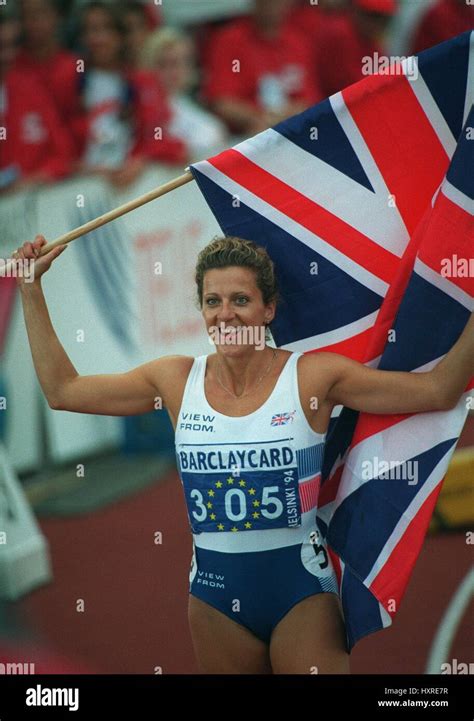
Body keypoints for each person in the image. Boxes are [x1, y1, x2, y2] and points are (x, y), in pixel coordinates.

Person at [13, 234, 473, 674]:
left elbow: (437, 389)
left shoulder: (313, 377)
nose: (225, 315)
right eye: (213, 301)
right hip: (214, 601)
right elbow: (63, 390)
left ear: (268, 309)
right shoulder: (175, 381)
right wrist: (30, 288)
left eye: (241, 300)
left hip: (302, 596)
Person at [72, 2, 186, 187]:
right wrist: (78, 167)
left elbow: (162, 138)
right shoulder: (74, 83)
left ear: (120, 35)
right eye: (90, 30)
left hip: (135, 189)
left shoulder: (142, 82)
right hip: (82, 191)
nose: (97, 39)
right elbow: (61, 147)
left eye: (105, 29)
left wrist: (141, 160)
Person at [202, 0, 320, 135]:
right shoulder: (229, 40)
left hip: (296, 129)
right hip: (247, 135)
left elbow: (310, 100)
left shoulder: (298, 42)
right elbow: (222, 103)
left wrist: (284, 118)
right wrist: (261, 118)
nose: (272, 5)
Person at [0, 14, 74, 192]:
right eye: (1, 47)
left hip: (30, 203)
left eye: (12, 46)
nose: (7, 56)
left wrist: (34, 179)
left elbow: (63, 153)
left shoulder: (32, 89)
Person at [141, 27, 227, 158]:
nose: (174, 72)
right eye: (164, 64)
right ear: (149, 65)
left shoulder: (198, 115)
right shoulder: (137, 107)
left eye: (181, 63)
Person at [14, 0, 80, 140]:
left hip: (68, 154)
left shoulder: (75, 67)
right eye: (26, 15)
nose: (33, 21)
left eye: (40, 12)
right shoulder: (10, 66)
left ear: (57, 17)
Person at [315, 0, 398, 98]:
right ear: (357, 10)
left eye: (384, 19)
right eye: (372, 15)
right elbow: (351, 84)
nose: (378, 24)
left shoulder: (372, 41)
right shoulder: (340, 33)